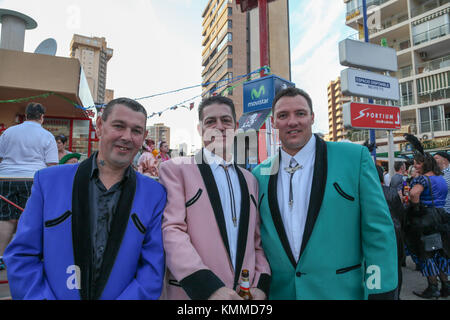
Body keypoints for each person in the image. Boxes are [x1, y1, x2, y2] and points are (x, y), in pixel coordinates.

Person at [3, 98, 166, 300]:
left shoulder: (154, 193)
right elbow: (22, 255)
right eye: (118, 126)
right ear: (99, 126)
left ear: (144, 137)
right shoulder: (49, 181)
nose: (127, 137)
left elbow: (152, 269)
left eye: (136, 131)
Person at [252, 87, 398, 300]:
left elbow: (378, 229)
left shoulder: (354, 157)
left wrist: (380, 289)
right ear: (274, 122)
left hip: (342, 293)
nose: (292, 121)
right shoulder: (259, 174)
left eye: (300, 113)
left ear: (312, 117)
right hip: (282, 294)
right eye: (283, 115)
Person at [159, 96, 271, 300]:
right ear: (200, 129)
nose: (219, 127)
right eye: (210, 121)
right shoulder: (175, 170)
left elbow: (256, 242)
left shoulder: (250, 179)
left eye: (225, 120)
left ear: (236, 127)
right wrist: (207, 287)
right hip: (193, 294)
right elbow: (171, 230)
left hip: (243, 296)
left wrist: (260, 284)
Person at [0, 102, 58, 271]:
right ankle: (25, 256)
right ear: (42, 117)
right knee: (30, 219)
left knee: (5, 217)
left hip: (6, 178)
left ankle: (1, 257)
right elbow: (52, 165)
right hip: (32, 178)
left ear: (25, 116)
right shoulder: (46, 136)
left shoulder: (8, 132)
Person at [404, 150, 449, 299]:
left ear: (426, 164)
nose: (415, 166)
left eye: (418, 163)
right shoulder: (441, 178)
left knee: (427, 253)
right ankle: (446, 287)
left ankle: (433, 288)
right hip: (441, 217)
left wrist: (416, 210)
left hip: (426, 218)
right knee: (441, 252)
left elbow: (414, 194)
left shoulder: (422, 179)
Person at [376, 165, 406, 298]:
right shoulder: (391, 192)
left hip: (375, 234)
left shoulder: (364, 191)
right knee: (395, 266)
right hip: (394, 232)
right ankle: (396, 294)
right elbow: (401, 214)